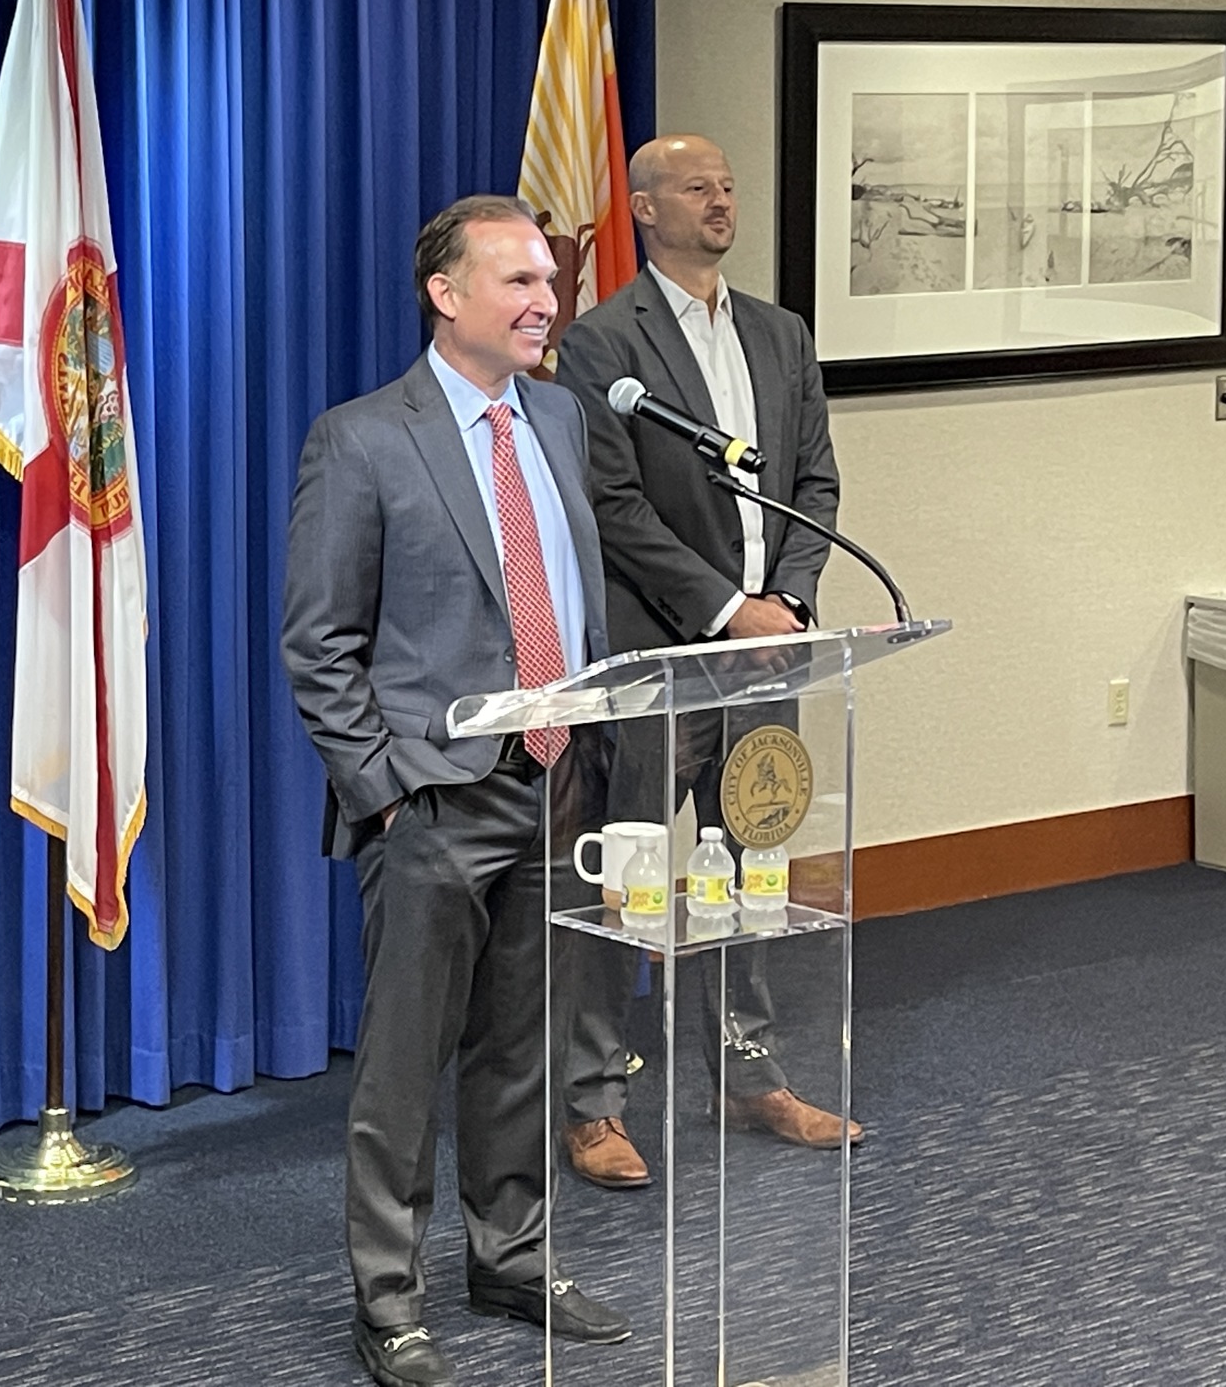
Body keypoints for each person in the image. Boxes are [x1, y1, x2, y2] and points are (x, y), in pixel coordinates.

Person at [283, 195, 630, 1387]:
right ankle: (387, 1300)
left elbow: (572, 595)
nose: (546, 304)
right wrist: (383, 794)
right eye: (520, 284)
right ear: (445, 294)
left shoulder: (565, 418)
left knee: (523, 1048)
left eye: (549, 282)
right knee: (401, 1066)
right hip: (433, 800)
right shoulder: (363, 437)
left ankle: (512, 1257)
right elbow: (318, 645)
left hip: (557, 783)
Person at [554, 134, 859, 1187]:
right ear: (642, 209)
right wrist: (725, 607)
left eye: (728, 184)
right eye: (696, 187)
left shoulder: (778, 333)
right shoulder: (601, 343)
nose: (721, 200)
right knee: (628, 877)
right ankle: (592, 1104)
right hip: (658, 655)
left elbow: (812, 481)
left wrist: (787, 599)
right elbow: (613, 505)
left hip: (769, 655)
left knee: (751, 871)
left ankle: (747, 1075)